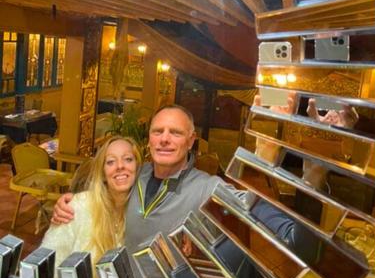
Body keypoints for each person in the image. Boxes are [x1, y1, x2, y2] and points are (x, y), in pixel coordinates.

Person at [52, 105, 242, 263]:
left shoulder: (205, 187)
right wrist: (70, 205)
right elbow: (100, 198)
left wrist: (266, 152)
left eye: (175, 133)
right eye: (158, 131)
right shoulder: (135, 174)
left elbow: (253, 210)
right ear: (149, 139)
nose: (164, 139)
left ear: (190, 141)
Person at [42, 136, 142, 276]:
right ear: (102, 172)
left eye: (128, 159)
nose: (120, 166)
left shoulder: (144, 211)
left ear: (138, 167)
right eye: (111, 161)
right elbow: (47, 264)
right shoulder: (78, 207)